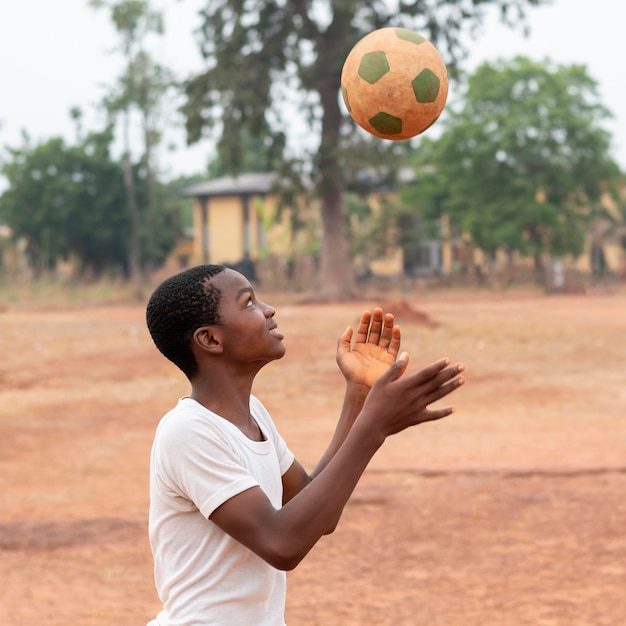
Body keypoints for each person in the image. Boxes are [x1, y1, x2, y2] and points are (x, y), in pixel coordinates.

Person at [145, 264, 465, 626]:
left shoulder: (253, 416)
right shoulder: (187, 431)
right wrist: (372, 429)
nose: (269, 310)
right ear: (210, 340)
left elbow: (316, 513)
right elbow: (282, 544)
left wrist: (359, 393)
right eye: (248, 302)